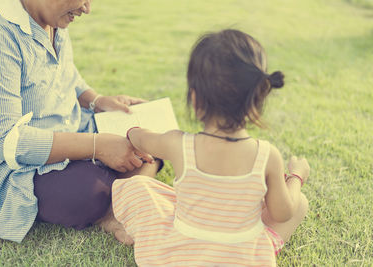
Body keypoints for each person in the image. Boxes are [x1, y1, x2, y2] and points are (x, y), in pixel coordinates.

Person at [109, 29, 310, 266]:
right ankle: (262, 250)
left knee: (137, 185)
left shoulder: (178, 144)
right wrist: (296, 176)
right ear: (258, 98)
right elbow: (283, 213)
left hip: (177, 256)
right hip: (242, 259)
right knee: (301, 203)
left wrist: (132, 132)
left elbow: (142, 139)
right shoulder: (268, 156)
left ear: (195, 100)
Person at [0, 0, 160, 243]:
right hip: (14, 161)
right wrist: (97, 146)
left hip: (72, 127)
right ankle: (122, 200)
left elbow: (67, 75)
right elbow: (5, 141)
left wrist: (98, 101)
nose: (87, 8)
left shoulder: (52, 17)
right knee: (85, 192)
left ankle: (122, 201)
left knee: (148, 139)